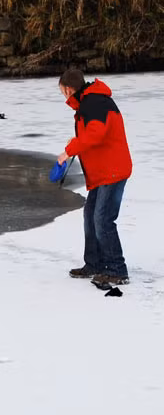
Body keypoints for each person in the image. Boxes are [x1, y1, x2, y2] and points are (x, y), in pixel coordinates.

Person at [57, 68, 132, 286]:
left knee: (103, 219)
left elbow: (95, 134)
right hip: (103, 171)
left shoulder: (95, 102)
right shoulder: (89, 103)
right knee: (91, 215)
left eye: (62, 91)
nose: (63, 95)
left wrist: (68, 150)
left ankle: (117, 269)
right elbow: (92, 134)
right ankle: (95, 263)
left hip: (113, 171)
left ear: (69, 89)